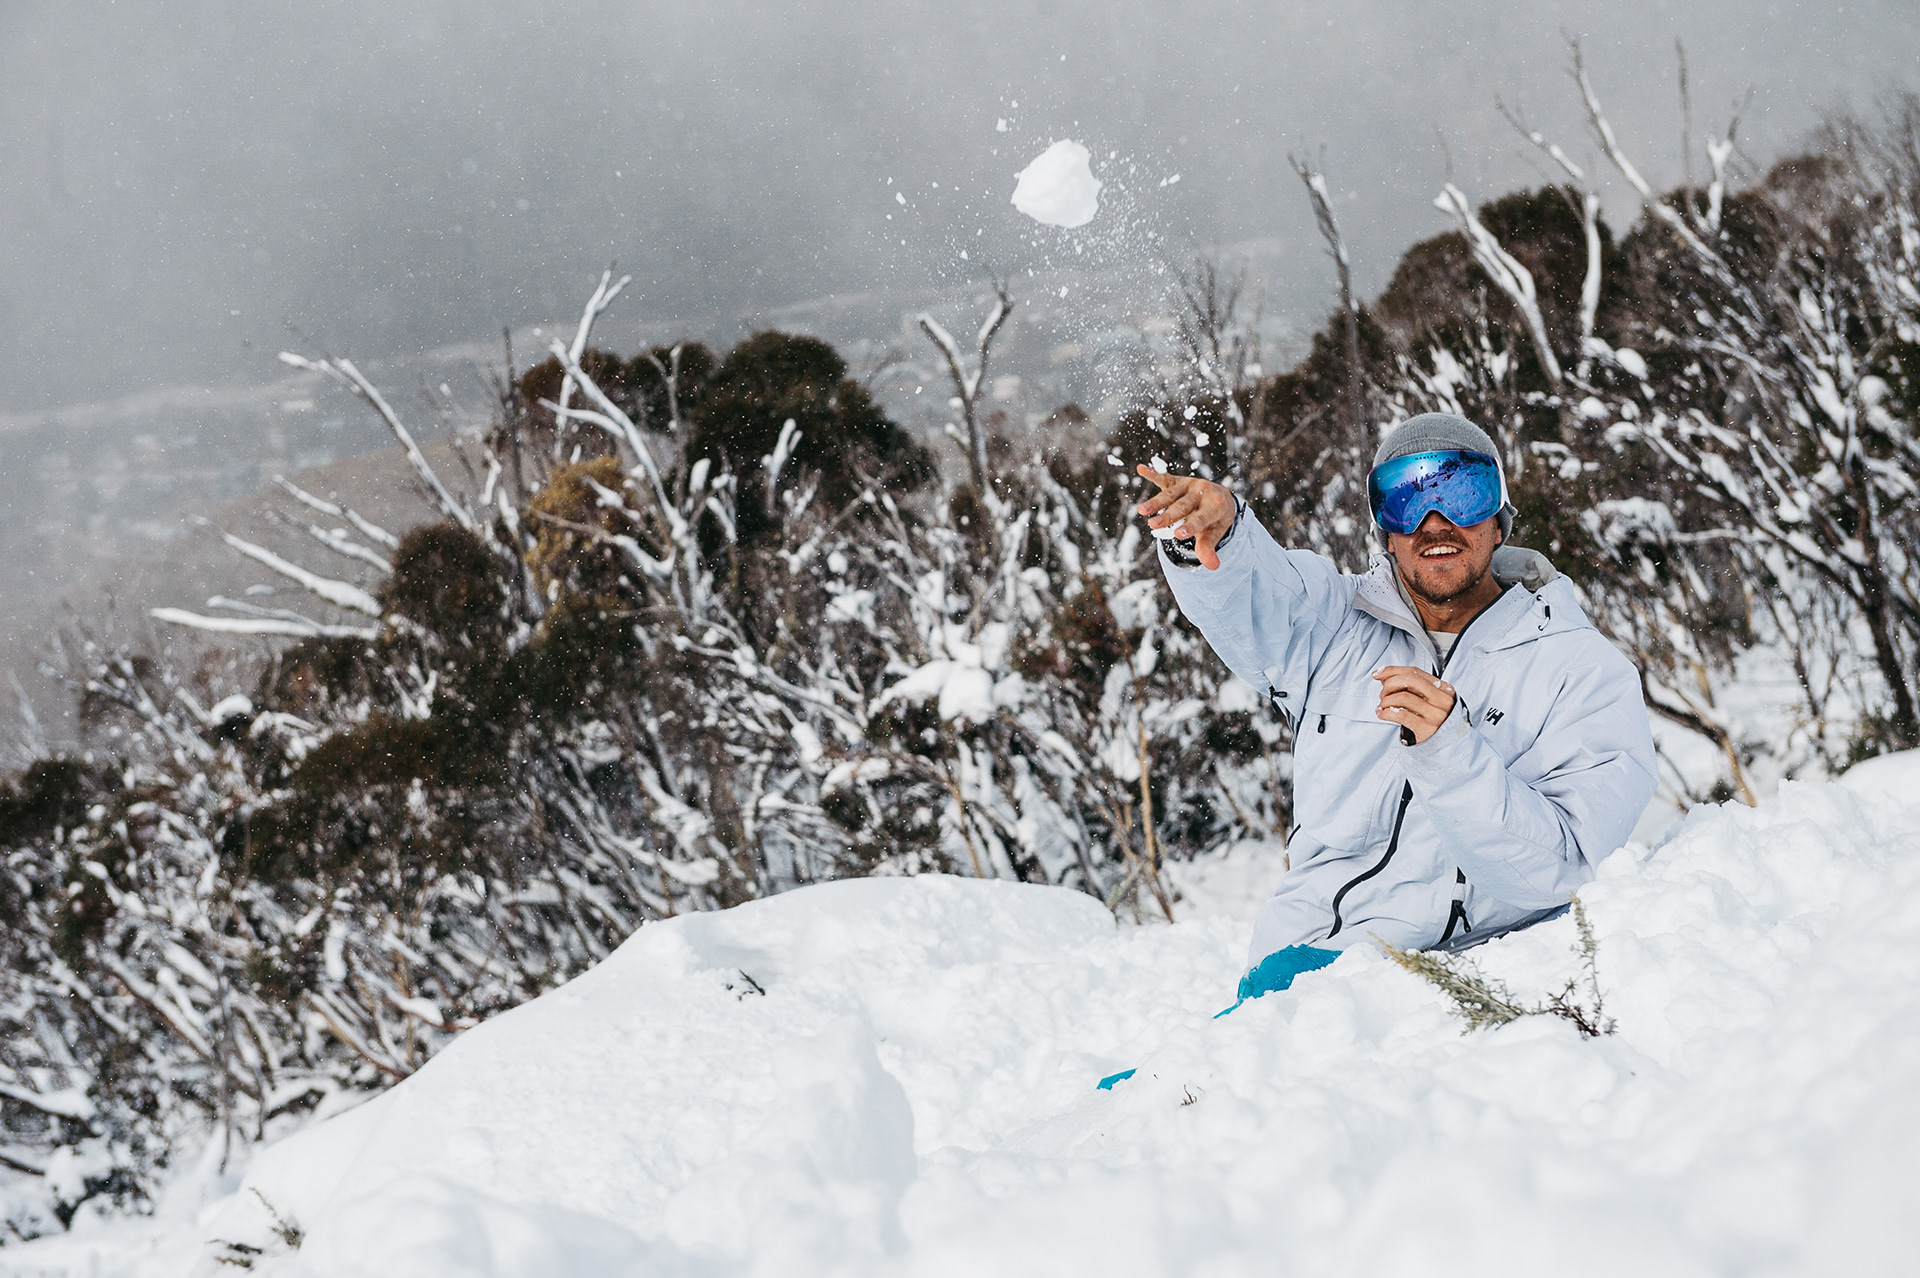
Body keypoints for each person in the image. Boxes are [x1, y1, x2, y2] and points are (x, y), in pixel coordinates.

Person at [1139, 412, 1657, 1010]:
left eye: (1462, 493)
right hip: (1297, 970)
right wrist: (1219, 535)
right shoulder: (1332, 625)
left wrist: (1451, 755)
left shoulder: (1583, 671)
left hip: (1454, 984)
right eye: (1406, 500)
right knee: (1142, 1102)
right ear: (1385, 530)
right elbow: (1260, 592)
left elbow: (1561, 869)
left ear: (1499, 520)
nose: (1435, 523)